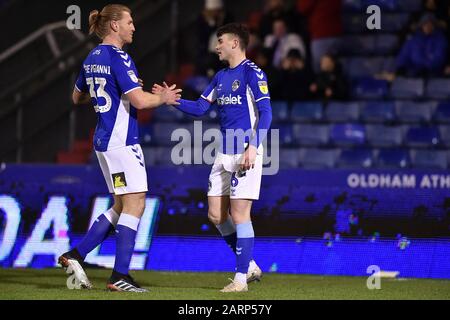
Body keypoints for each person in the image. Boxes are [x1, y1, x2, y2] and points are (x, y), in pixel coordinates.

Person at [58, 4, 181, 292]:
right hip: (122, 141)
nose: (133, 27)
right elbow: (139, 102)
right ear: (114, 25)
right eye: (129, 22)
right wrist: (163, 98)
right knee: (136, 202)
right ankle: (120, 276)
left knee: (120, 204)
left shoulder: (91, 57)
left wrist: (109, 91)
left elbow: (77, 97)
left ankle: (76, 255)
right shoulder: (119, 57)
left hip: (103, 141)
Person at [153, 23, 272, 292]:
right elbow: (199, 108)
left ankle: (241, 280)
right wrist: (171, 100)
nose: (216, 46)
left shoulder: (253, 73)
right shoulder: (220, 77)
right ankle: (249, 264)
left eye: (220, 41)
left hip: (245, 151)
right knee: (216, 215)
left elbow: (266, 113)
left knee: (240, 214)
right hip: (223, 152)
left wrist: (253, 146)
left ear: (234, 43)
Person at [396, 13, 448, 77]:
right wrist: (402, 69)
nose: (428, 27)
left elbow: (439, 58)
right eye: (425, 24)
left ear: (434, 26)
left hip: (435, 75)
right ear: (421, 25)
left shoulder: (441, 39)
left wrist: (426, 66)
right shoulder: (413, 40)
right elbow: (404, 56)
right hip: (414, 75)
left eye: (431, 24)